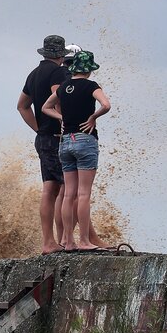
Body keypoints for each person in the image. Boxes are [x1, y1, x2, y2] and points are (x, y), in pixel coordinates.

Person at [42, 50, 111, 252]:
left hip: (65, 143)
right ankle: (83, 241)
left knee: (68, 194)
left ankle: (68, 242)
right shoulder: (91, 86)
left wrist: (61, 118)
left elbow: (46, 107)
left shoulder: (64, 87)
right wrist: (93, 117)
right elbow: (106, 105)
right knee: (83, 194)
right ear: (89, 70)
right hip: (84, 140)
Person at [17, 35, 69, 254]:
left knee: (50, 188)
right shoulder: (58, 72)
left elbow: (22, 106)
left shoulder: (34, 74)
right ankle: (64, 240)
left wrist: (39, 129)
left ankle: (49, 241)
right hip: (58, 136)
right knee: (66, 188)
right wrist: (65, 122)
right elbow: (58, 97)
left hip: (43, 138)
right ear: (61, 55)